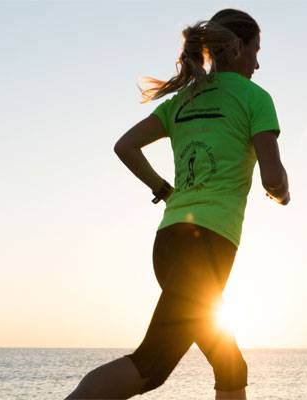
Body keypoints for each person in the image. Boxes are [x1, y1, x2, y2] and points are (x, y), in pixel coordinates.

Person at [65, 8, 288, 400]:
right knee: (152, 365)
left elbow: (126, 146)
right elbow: (273, 178)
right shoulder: (256, 99)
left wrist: (163, 189)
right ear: (237, 49)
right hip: (208, 245)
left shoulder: (182, 101)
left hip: (168, 243)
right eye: (256, 50)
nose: (258, 62)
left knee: (229, 362)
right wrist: (281, 192)